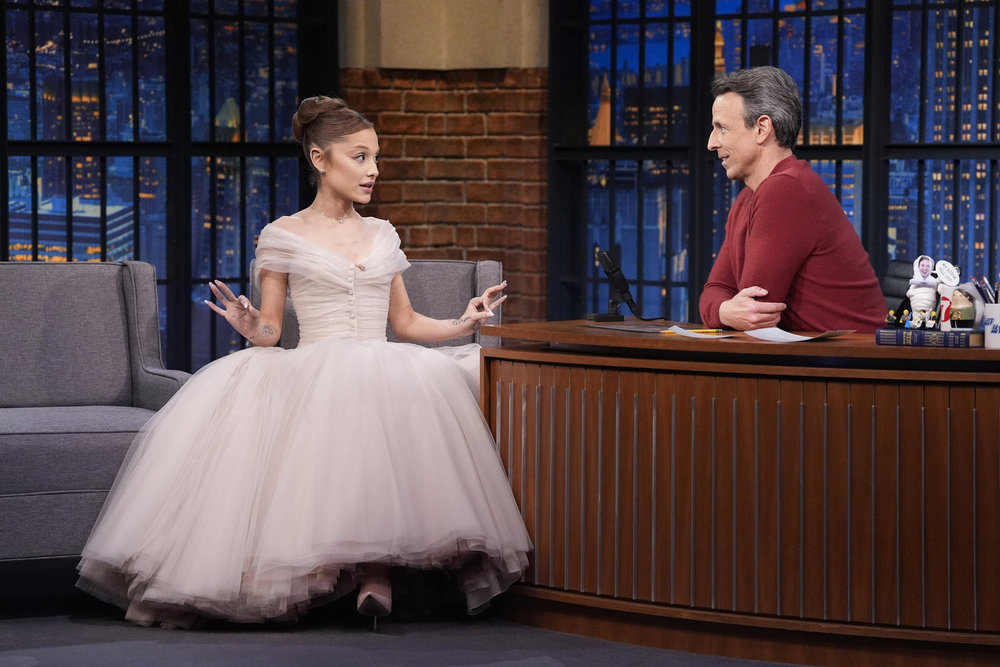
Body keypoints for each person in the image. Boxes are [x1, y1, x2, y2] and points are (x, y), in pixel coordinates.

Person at [76, 95, 532, 629]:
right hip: (315, 362)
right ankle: (367, 573)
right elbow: (271, 331)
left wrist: (464, 322)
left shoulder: (382, 233)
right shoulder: (283, 235)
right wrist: (251, 325)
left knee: (403, 397)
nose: (373, 170)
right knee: (343, 410)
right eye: (359, 157)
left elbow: (406, 324)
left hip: (382, 360)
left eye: (376, 157)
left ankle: (377, 572)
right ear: (320, 159)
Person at [698, 66, 887, 333]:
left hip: (853, 356)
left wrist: (723, 311)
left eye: (722, 128)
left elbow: (755, 311)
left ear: (762, 128)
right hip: (812, 355)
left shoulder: (787, 189)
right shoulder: (746, 199)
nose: (711, 143)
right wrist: (724, 311)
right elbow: (715, 290)